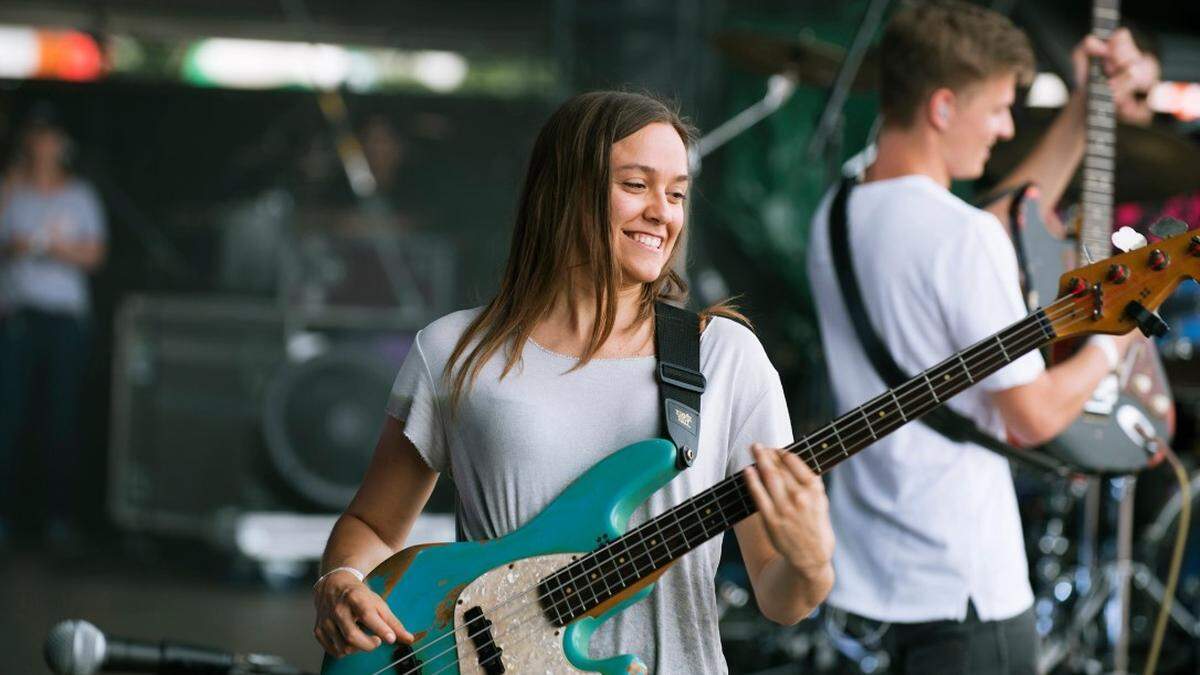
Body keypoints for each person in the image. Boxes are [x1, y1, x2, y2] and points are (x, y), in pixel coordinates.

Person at [312, 91, 836, 672]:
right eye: (636, 186)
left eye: (678, 192)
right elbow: (373, 526)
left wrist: (812, 563)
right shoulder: (452, 350)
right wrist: (341, 579)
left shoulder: (725, 357)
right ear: (565, 190)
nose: (664, 212)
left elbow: (779, 597)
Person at [806, 2, 1155, 672]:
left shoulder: (840, 210)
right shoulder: (961, 240)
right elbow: (1032, 415)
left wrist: (1083, 108)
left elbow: (1007, 217)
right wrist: (1119, 339)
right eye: (998, 107)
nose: (1004, 128)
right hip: (965, 595)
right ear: (942, 107)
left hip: (869, 585)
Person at [0, 103, 107, 545]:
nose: (42, 144)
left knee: (61, 419)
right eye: (35, 136)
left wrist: (57, 248)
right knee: (10, 418)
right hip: (20, 319)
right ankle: (6, 517)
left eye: (50, 136)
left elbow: (95, 255)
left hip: (64, 321)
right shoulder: (11, 189)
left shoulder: (79, 195)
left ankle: (58, 518)